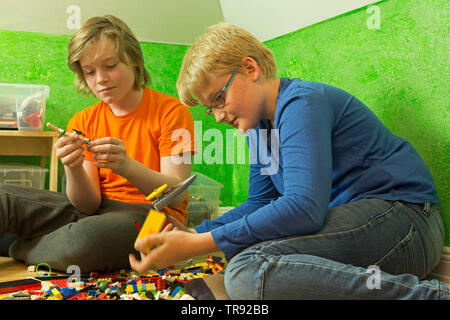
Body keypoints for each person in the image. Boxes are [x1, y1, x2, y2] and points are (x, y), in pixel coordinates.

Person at [129, 23, 449, 300]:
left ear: (250, 69)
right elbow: (261, 201)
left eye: (218, 99)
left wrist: (199, 243)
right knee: (246, 255)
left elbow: (304, 208)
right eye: (209, 109)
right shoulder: (258, 127)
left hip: (406, 222)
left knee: (248, 269)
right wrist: (195, 232)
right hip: (368, 229)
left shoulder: (301, 104)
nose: (218, 116)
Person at [0, 15, 196, 272]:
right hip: (94, 213)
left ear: (135, 60)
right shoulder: (83, 120)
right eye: (89, 72)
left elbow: (174, 196)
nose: (100, 79)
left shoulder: (173, 112)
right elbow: (87, 205)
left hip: (154, 218)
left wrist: (126, 166)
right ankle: (27, 245)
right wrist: (72, 167)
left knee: (80, 243)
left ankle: (14, 245)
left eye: (110, 65)